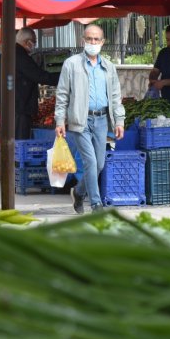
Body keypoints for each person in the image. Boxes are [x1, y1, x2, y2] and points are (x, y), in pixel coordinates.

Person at [55, 24, 125, 214]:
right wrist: (60, 120)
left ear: (102, 42)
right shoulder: (71, 64)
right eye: (89, 39)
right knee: (90, 163)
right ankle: (96, 204)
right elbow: (62, 94)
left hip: (102, 120)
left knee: (100, 164)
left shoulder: (108, 67)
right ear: (82, 41)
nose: (92, 43)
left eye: (96, 39)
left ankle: (78, 192)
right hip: (81, 121)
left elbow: (116, 96)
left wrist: (119, 121)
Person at [0, 27, 60, 139]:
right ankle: (16, 157)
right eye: (34, 42)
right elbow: (40, 76)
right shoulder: (20, 55)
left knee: (10, 142)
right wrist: (65, 77)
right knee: (19, 142)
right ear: (27, 42)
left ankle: (11, 157)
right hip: (19, 109)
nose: (34, 45)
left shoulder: (4, 54)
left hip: (7, 108)